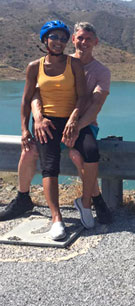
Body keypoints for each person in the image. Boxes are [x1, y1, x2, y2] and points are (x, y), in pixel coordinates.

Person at [0, 22, 113, 236]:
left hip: (80, 122)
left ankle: (91, 202)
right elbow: (33, 95)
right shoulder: (44, 64)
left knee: (82, 153)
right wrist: (35, 119)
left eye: (88, 39)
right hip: (51, 121)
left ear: (96, 42)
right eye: (79, 38)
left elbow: (92, 103)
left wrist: (75, 125)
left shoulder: (94, 70)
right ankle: (28, 202)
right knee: (32, 152)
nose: (83, 42)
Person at [14, 20, 87, 240]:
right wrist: (26, 129)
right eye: (54, 37)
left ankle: (95, 202)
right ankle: (57, 219)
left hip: (71, 119)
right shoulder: (34, 67)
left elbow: (83, 97)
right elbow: (26, 100)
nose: (59, 42)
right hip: (47, 123)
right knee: (49, 166)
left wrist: (73, 120)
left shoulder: (73, 64)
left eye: (63, 38)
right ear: (45, 39)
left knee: (89, 153)